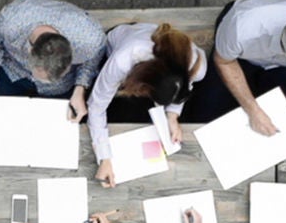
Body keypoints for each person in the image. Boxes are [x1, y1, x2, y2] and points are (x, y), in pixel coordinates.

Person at [88, 23, 207, 186]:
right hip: (117, 43)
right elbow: (96, 106)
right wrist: (104, 158)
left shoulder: (197, 66)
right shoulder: (122, 60)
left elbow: (188, 85)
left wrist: (172, 116)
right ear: (143, 86)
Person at [0, 0, 108, 119]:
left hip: (60, 87)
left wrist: (80, 89)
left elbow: (93, 57)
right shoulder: (11, 21)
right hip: (13, 71)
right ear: (30, 52)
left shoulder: (89, 39)